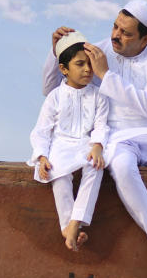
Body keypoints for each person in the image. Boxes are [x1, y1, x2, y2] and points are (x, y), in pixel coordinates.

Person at [43, 0, 147, 278]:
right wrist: (53, 51)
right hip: (117, 138)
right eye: (115, 26)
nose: (116, 35)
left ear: (146, 38)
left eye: (126, 33)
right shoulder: (98, 49)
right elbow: (55, 93)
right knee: (121, 166)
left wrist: (105, 74)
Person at [29, 31, 109, 251]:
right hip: (60, 146)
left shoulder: (99, 95)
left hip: (86, 145)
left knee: (95, 167)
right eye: (80, 64)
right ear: (64, 69)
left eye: (90, 64)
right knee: (59, 175)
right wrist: (42, 156)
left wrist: (97, 146)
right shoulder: (55, 96)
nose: (87, 69)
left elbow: (102, 125)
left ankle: (77, 221)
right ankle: (66, 226)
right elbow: (42, 130)